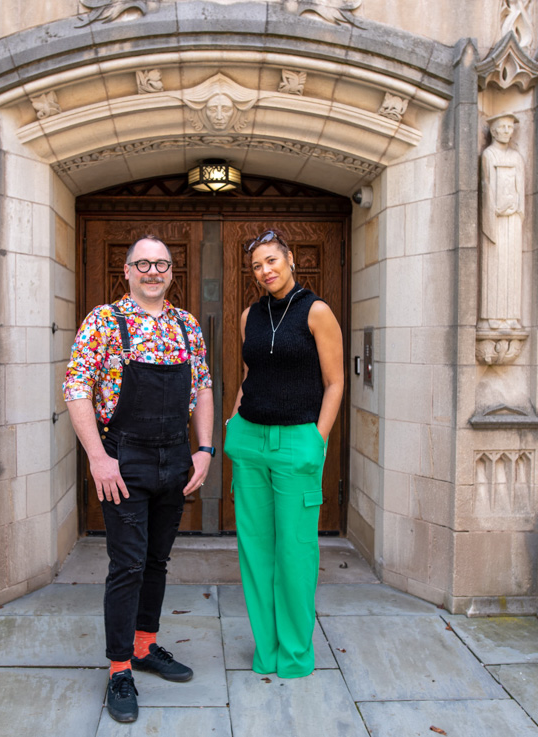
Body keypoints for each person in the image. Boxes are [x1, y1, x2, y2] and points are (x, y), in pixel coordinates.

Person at [63, 235, 214, 723]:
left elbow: (205, 388)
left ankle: (146, 646)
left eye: (162, 264)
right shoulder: (105, 321)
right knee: (126, 565)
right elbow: (76, 389)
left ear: (172, 272)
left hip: (174, 458)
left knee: (156, 560)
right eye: (143, 263)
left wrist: (206, 450)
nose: (153, 271)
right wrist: (97, 458)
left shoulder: (187, 325)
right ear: (126, 271)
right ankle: (119, 669)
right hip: (123, 459)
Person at [223, 229, 344, 679]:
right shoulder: (249, 315)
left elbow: (334, 383)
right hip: (250, 440)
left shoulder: (316, 311)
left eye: (272, 260)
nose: (265, 271)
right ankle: (266, 651)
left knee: (294, 553)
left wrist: (318, 439)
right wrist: (235, 418)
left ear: (291, 260)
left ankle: (294, 655)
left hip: (297, 442)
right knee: (255, 552)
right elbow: (253, 372)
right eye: (257, 265)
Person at [479, 112, 525, 331]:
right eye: (503, 127)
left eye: (510, 128)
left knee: (511, 267)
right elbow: (487, 187)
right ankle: (492, 315)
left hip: (512, 220)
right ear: (494, 131)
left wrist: (516, 209)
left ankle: (511, 316)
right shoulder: (489, 155)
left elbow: (521, 190)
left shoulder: (517, 158)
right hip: (495, 220)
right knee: (494, 267)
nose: (507, 131)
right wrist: (493, 213)